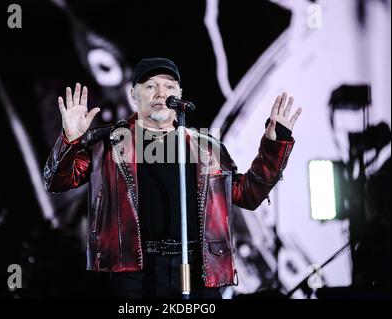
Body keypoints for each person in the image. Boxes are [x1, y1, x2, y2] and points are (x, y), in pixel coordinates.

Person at [43, 57, 302, 298]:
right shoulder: (107, 145)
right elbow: (57, 181)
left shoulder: (206, 148)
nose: (161, 93)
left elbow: (247, 195)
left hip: (198, 269)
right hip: (133, 273)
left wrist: (273, 146)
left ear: (179, 95)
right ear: (133, 94)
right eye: (150, 86)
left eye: (169, 86)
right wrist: (70, 140)